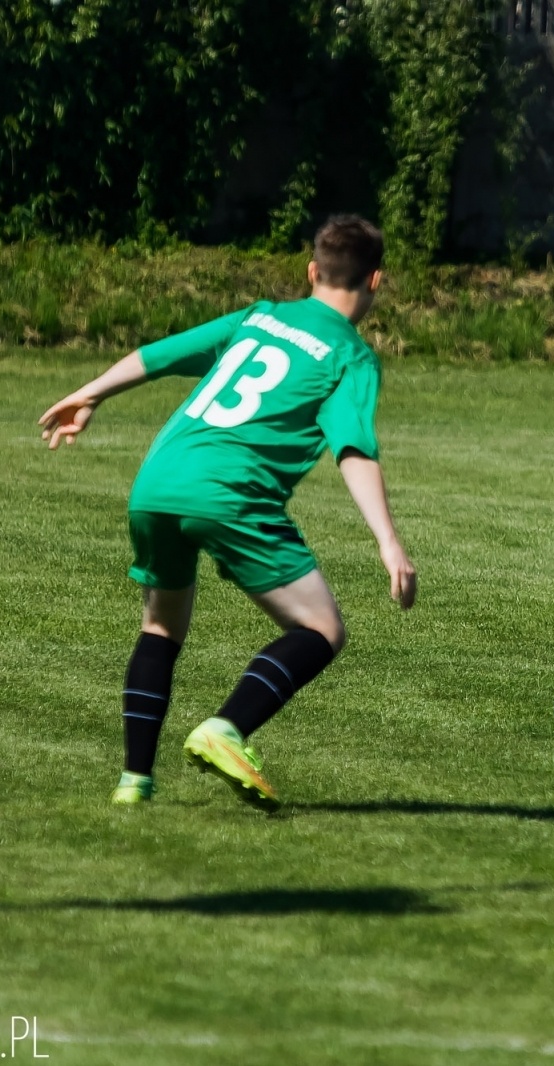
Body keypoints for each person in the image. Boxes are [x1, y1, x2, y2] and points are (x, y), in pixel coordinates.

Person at [38, 215, 416, 810]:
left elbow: (158, 355)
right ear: (376, 280)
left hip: (158, 481)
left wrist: (89, 394)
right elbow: (353, 448)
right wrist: (388, 541)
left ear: (312, 271)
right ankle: (227, 728)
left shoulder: (259, 317)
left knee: (161, 626)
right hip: (230, 494)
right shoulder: (350, 356)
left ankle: (134, 781)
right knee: (321, 630)